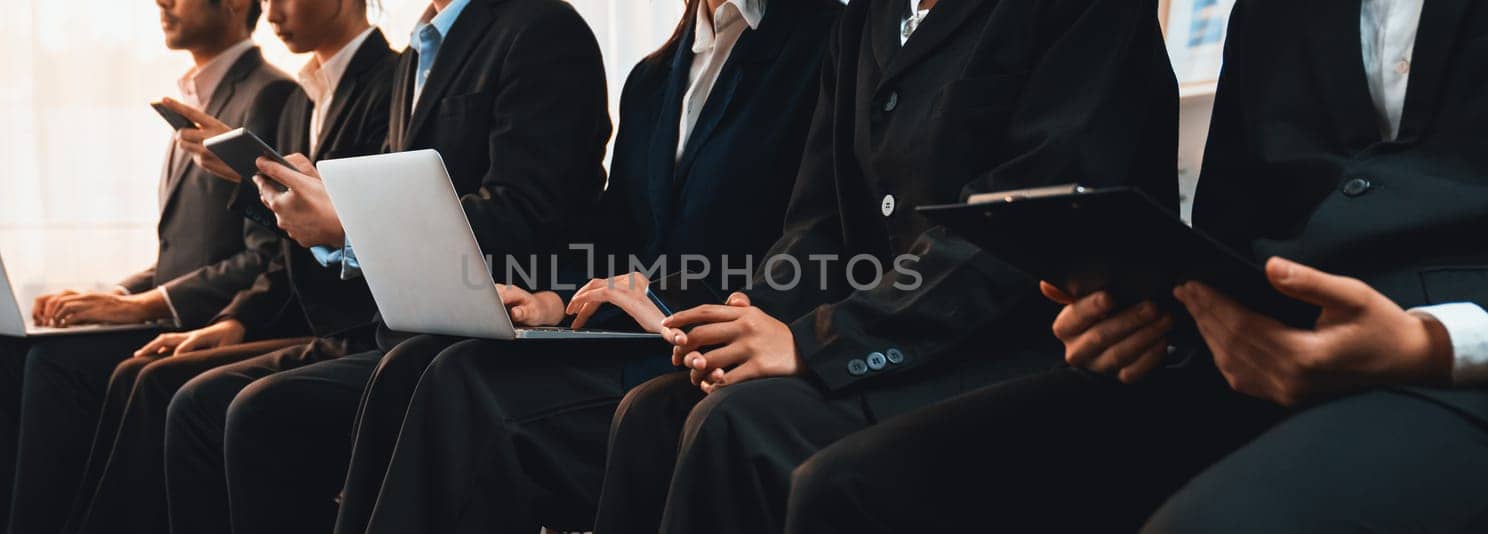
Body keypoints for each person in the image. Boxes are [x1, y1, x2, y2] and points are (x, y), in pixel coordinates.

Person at [785, 1, 1488, 532]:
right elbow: (1229, 243)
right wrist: (1150, 317)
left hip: (1452, 369)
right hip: (1251, 364)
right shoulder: (1269, 12)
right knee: (848, 487)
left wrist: (1434, 344)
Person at [594, 0, 1181, 532]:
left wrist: (816, 344)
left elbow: (1020, 230)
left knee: (737, 427)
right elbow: (819, 225)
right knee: (654, 414)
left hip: (1022, 353)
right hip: (898, 349)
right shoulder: (866, 21)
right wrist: (752, 314)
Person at [334, 0, 841, 532]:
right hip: (626, 338)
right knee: (411, 366)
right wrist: (552, 299)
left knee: (460, 387)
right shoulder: (651, 78)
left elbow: (815, 243)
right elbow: (617, 237)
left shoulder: (825, 42)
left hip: (713, 342)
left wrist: (665, 300)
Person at [158, 0, 613, 532]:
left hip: (489, 330)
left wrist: (348, 220)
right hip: (401, 326)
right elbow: (379, 201)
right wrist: (284, 189)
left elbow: (529, 213)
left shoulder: (540, 27)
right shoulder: (415, 55)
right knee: (198, 406)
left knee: (257, 412)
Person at [57, 1, 396, 533]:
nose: (273, 8)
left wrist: (240, 314)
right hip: (311, 315)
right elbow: (288, 242)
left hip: (353, 323)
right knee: (139, 378)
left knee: (172, 390)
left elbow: (358, 232)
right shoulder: (302, 100)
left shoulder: (388, 80)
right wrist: (238, 315)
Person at [0, 0, 294, 532]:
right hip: (173, 308)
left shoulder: (269, 93)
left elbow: (267, 253)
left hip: (212, 318)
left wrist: (148, 304)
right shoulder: (188, 99)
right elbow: (185, 251)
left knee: (52, 367)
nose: (161, 3)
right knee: (5, 354)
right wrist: (116, 295)